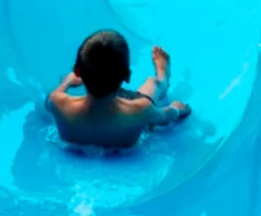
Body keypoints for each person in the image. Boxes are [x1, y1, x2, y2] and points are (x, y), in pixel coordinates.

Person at [46, 30, 191, 149]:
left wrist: (68, 82)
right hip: (126, 115)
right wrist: (177, 109)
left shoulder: (58, 103)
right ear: (127, 76)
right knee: (152, 83)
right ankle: (162, 75)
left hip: (88, 110)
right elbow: (164, 118)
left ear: (77, 71)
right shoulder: (139, 110)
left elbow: (50, 99)